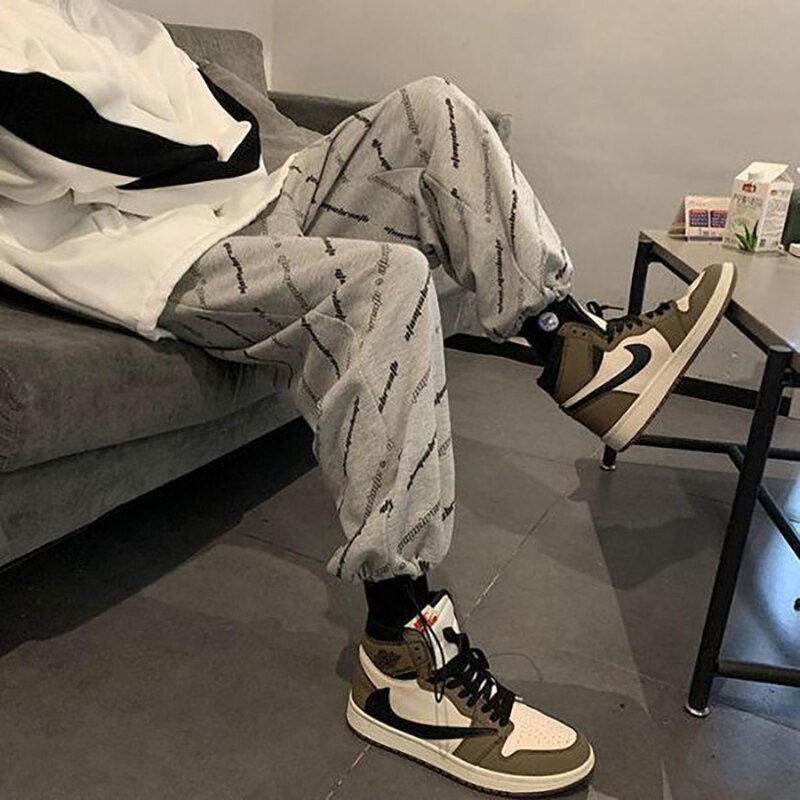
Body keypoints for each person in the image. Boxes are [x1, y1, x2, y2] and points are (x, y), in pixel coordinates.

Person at [1, 1, 735, 795]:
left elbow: (223, 134)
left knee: (433, 110)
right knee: (386, 283)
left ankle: (573, 346)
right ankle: (399, 652)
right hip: (145, 254)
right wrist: (221, 151)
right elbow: (92, 149)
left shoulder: (107, 19)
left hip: (240, 203)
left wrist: (231, 154)